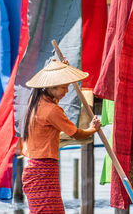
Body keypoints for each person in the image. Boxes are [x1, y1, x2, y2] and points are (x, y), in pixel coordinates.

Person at [21, 59, 101, 213]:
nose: (66, 91)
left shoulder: (36, 99)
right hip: (42, 170)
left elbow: (54, 99)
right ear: (51, 87)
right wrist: (92, 129)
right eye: (64, 87)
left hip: (37, 168)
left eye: (68, 86)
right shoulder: (52, 110)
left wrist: (63, 73)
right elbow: (76, 134)